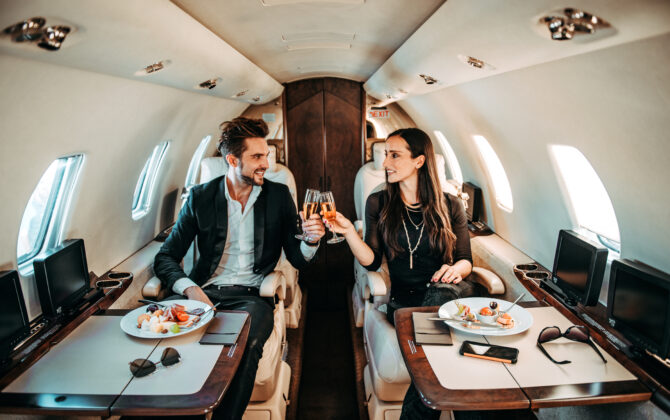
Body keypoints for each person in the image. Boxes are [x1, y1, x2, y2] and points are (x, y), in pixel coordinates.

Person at [154, 117, 325, 420]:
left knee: (246, 345)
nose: (267, 165)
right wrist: (191, 290)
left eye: (267, 156)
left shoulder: (278, 196)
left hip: (251, 295)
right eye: (257, 157)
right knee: (165, 343)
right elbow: (165, 258)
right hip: (202, 291)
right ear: (232, 160)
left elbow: (296, 260)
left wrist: (311, 241)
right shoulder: (200, 197)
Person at [324, 127, 474, 420]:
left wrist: (454, 269)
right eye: (385, 155)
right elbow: (371, 261)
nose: (385, 163)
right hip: (405, 304)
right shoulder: (378, 203)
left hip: (452, 297)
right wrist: (348, 233)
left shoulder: (451, 204)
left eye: (395, 155)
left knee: (439, 292)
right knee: (448, 355)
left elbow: (466, 260)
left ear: (419, 161)